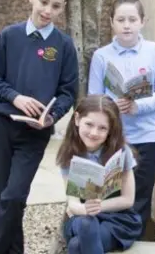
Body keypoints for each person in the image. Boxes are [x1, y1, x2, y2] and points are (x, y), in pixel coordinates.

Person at [0, 0, 79, 254]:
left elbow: (67, 91)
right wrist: (16, 97)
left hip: (35, 133)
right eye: (44, 2)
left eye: (56, 6)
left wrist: (52, 116)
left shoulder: (63, 46)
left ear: (62, 9)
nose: (48, 10)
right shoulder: (8, 36)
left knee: (14, 196)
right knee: (6, 199)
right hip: (3, 126)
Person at [88, 0, 155, 234]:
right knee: (112, 195)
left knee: (141, 197)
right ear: (112, 22)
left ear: (142, 22)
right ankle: (111, 241)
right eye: (121, 19)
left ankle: (136, 243)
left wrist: (138, 106)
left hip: (147, 136)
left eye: (132, 19)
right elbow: (94, 98)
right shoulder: (102, 56)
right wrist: (113, 106)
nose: (126, 25)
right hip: (114, 138)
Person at [56, 95, 142, 253]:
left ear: (111, 130)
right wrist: (85, 210)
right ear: (77, 119)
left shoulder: (122, 152)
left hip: (116, 219)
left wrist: (98, 206)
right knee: (86, 224)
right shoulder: (68, 154)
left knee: (76, 246)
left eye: (102, 128)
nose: (94, 133)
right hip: (81, 216)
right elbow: (73, 203)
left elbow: (128, 200)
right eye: (89, 124)